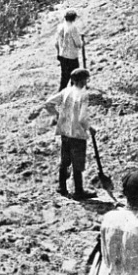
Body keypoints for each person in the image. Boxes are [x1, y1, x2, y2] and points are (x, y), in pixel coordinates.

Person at [43, 68, 97, 200]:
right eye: (85, 79)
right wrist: (90, 128)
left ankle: (62, 187)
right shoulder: (83, 95)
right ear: (83, 80)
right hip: (77, 133)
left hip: (64, 131)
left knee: (65, 161)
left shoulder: (66, 91)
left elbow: (48, 103)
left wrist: (57, 115)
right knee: (77, 163)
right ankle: (79, 191)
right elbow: (82, 118)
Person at [55, 8, 83, 91]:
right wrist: (82, 43)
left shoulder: (60, 27)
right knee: (74, 76)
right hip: (72, 56)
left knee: (64, 77)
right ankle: (72, 95)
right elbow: (78, 44)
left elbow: (56, 42)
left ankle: (61, 94)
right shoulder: (73, 28)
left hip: (62, 55)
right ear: (73, 18)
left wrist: (58, 53)